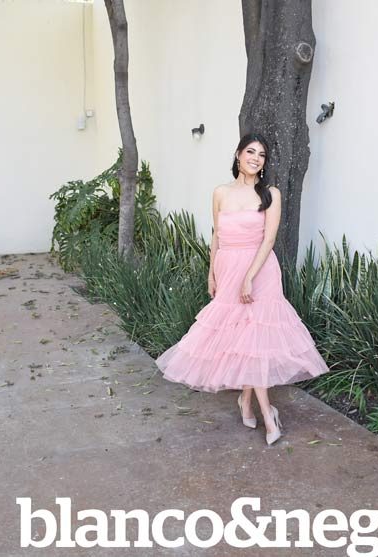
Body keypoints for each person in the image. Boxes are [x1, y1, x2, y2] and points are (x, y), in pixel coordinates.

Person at [155, 133, 329, 446]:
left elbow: (269, 239)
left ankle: (268, 416)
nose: (255, 159)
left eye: (261, 155)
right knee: (242, 337)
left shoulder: (270, 193)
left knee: (255, 338)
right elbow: (217, 236)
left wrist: (249, 276)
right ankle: (246, 402)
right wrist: (211, 272)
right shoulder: (220, 192)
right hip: (228, 267)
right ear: (238, 154)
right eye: (250, 152)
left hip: (260, 269)